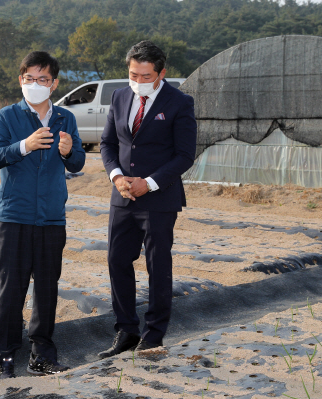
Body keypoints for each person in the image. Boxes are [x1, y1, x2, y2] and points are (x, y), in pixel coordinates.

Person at [0, 51, 85, 381]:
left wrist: (70, 152)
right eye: (29, 78)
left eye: (43, 79)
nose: (35, 85)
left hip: (52, 219)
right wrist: (24, 146)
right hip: (15, 217)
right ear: (21, 80)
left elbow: (79, 163)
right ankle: (5, 358)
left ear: (54, 83)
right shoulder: (7, 116)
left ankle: (42, 355)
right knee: (10, 290)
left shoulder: (66, 119)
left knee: (46, 289)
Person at [97, 41, 197, 358]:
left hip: (159, 199)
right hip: (123, 196)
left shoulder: (179, 102)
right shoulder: (120, 96)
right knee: (117, 261)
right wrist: (116, 176)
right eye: (132, 73)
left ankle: (153, 335)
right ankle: (126, 330)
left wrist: (150, 183)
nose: (137, 80)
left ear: (160, 73)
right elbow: (107, 144)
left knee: (157, 266)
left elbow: (184, 156)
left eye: (145, 75)